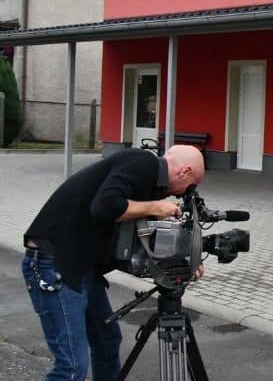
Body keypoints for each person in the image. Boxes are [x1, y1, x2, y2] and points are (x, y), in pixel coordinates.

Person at [21, 145, 206, 380]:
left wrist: (186, 257)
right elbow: (105, 206)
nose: (181, 195)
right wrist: (154, 207)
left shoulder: (149, 185)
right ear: (184, 172)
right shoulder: (143, 163)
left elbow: (143, 239)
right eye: (189, 187)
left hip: (81, 265)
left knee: (107, 343)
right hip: (54, 263)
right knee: (71, 367)